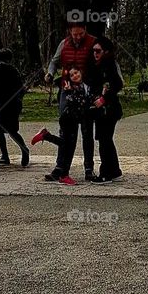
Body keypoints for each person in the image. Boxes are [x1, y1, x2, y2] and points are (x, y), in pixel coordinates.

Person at [44, 20, 98, 179]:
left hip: (86, 92)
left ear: (85, 30)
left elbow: (104, 60)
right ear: (70, 32)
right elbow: (54, 61)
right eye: (75, 34)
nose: (78, 37)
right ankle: (60, 167)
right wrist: (50, 73)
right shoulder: (64, 43)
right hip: (67, 91)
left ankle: (89, 169)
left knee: (87, 131)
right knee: (66, 130)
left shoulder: (93, 42)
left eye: (81, 34)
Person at [30, 66, 91, 184]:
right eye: (72, 75)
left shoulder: (83, 86)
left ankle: (46, 136)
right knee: (68, 146)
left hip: (73, 118)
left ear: (81, 72)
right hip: (69, 119)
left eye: (76, 73)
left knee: (65, 145)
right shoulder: (71, 88)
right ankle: (64, 175)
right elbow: (75, 102)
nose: (75, 76)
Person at [88, 37, 124, 182]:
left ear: (105, 51)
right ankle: (113, 170)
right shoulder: (97, 66)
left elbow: (117, 84)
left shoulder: (109, 65)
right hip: (101, 110)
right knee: (105, 139)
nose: (95, 53)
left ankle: (107, 172)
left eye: (98, 51)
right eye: (93, 51)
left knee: (105, 140)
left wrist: (104, 98)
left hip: (109, 109)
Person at [0, 48, 30, 167]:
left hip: (1, 104)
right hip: (13, 104)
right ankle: (24, 148)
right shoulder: (14, 70)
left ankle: (5, 156)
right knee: (12, 130)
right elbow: (21, 88)